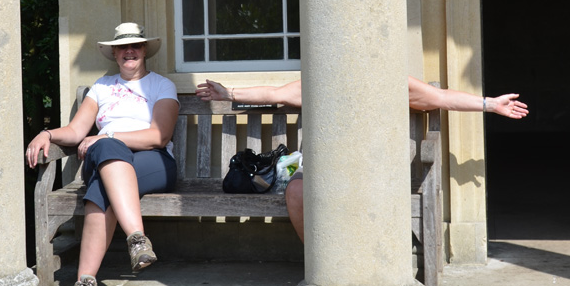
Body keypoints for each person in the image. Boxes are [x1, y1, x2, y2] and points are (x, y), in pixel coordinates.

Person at [196, 76, 528, 241]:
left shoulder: (391, 81)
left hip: (367, 166)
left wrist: (490, 104)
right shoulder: (320, 80)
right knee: (296, 191)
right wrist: (229, 94)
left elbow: (440, 98)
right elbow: (275, 94)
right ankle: (320, 262)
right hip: (320, 164)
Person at [26, 23, 179, 286]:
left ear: (145, 49)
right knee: (108, 151)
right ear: (115, 53)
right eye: (122, 47)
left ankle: (85, 283)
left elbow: (159, 137)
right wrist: (47, 134)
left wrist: (107, 134)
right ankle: (137, 239)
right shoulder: (101, 87)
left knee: (100, 186)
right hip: (105, 155)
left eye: (135, 45)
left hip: (153, 160)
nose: (129, 51)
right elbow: (75, 132)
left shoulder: (161, 85)